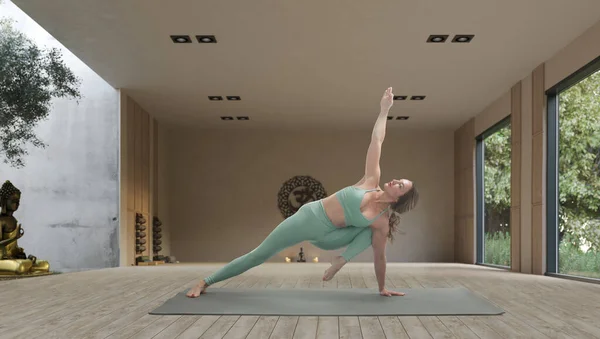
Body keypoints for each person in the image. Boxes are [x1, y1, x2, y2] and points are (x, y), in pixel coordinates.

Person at [186, 87, 419, 298]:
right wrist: (383, 110)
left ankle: (340, 261)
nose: (396, 180)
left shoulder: (382, 221)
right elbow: (377, 140)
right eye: (400, 180)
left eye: (401, 185)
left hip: (329, 237)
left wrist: (381, 288)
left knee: (374, 233)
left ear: (399, 198)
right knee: (258, 255)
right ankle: (205, 282)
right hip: (309, 218)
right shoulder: (371, 181)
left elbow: (380, 257)